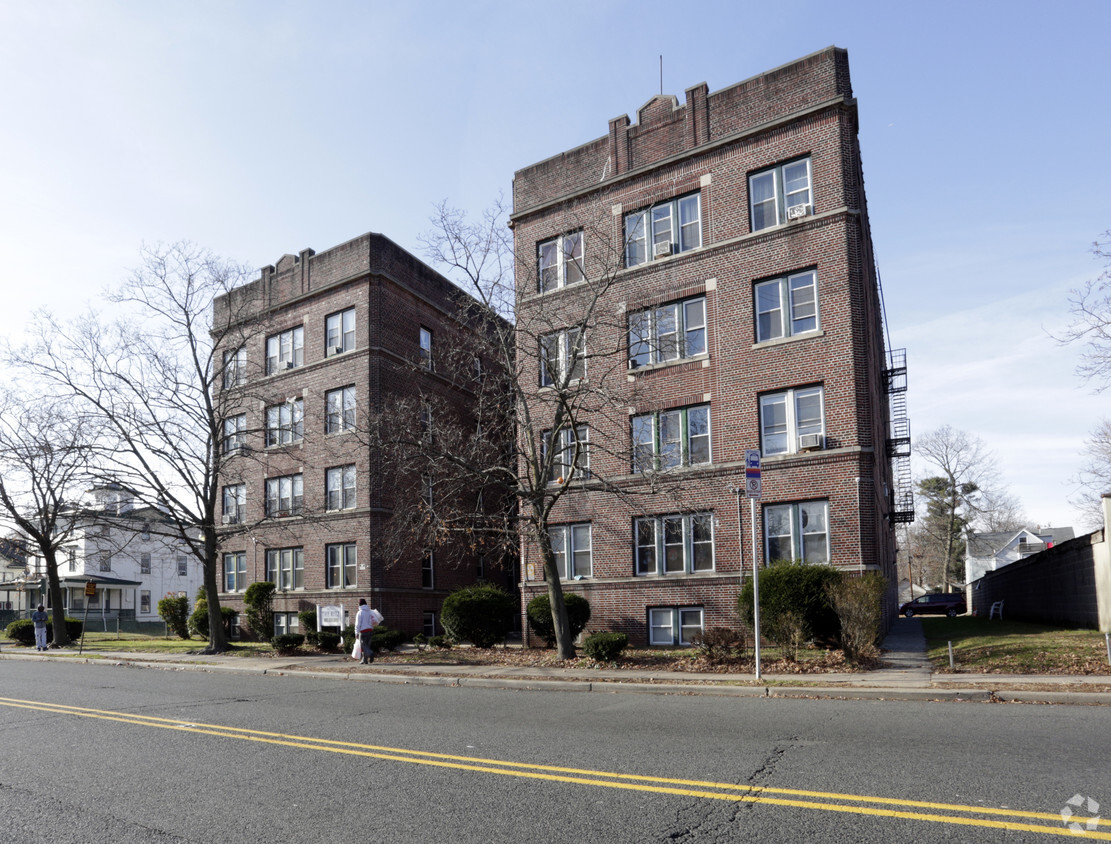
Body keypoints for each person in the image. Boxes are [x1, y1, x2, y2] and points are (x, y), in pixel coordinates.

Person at [353, 598, 377, 665]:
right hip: (370, 630)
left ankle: (370, 653)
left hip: (363, 631)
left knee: (363, 646)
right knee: (367, 646)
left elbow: (357, 624)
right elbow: (372, 621)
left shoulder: (360, 613)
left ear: (359, 604)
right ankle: (364, 660)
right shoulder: (369, 611)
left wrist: (356, 632)